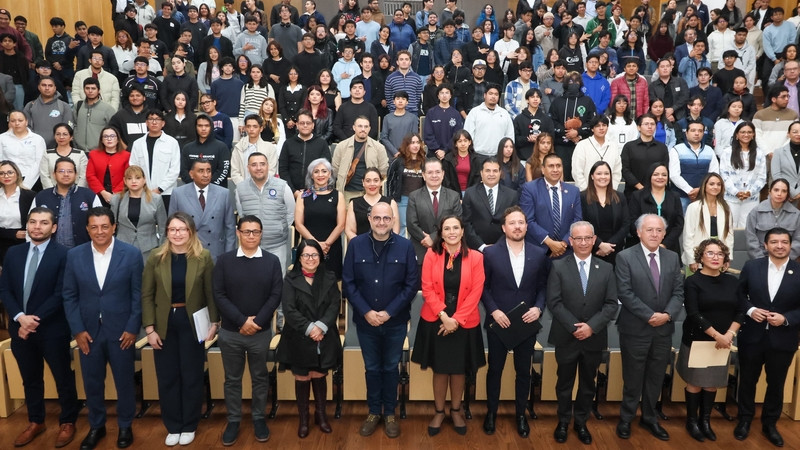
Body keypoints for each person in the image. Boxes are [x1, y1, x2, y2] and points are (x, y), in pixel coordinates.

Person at [62, 207, 143, 450]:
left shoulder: (131, 254)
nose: (100, 231)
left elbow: (138, 295)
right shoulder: (74, 256)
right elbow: (69, 295)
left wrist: (132, 328)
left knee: (124, 382)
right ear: (87, 229)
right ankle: (96, 426)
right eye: (94, 227)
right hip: (88, 333)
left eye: (105, 226)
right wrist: (77, 330)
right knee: (92, 382)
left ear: (114, 227)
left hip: (122, 333)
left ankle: (125, 425)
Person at [0, 206, 79, 448]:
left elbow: (61, 293)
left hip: (52, 329)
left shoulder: (65, 255)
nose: (37, 227)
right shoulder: (13, 254)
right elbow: (5, 290)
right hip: (19, 327)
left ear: (53, 228)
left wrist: (32, 320)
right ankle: (36, 421)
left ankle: (68, 421)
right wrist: (20, 317)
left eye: (43, 223)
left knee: (63, 377)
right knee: (30, 378)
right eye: (33, 222)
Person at [141, 211, 218, 447]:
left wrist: (214, 323)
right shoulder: (156, 257)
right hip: (163, 323)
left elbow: (210, 294)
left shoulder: (203, 257)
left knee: (192, 375)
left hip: (192, 322)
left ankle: (189, 424)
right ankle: (173, 425)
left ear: (191, 232)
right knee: (167, 376)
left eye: (182, 229)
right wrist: (150, 329)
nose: (177, 234)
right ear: (166, 232)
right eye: (173, 229)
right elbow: (147, 295)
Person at [411, 215, 486, 437]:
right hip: (437, 318)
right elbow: (427, 289)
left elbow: (476, 291)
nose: (452, 231)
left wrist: (457, 320)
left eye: (456, 228)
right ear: (440, 233)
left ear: (463, 232)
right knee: (441, 368)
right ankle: (439, 411)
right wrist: (445, 317)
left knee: (459, 368)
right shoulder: (431, 256)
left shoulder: (476, 257)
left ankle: (455, 410)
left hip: (465, 319)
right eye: (447, 228)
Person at [213, 215, 283, 445]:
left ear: (261, 234)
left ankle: (258, 418)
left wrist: (258, 322)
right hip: (231, 332)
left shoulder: (272, 261)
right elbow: (219, 295)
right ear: (238, 233)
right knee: (232, 380)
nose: (251, 236)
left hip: (260, 333)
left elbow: (275, 296)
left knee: (260, 377)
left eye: (255, 232)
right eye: (247, 231)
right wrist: (242, 321)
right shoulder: (224, 261)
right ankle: (233, 420)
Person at [547, 220, 618, 445]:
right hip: (566, 336)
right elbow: (554, 302)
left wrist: (591, 327)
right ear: (570, 241)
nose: (584, 242)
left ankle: (581, 422)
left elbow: (610, 304)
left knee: (589, 383)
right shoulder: (558, 267)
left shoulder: (606, 268)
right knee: (564, 383)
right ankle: (563, 421)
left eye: (588, 238)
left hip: (594, 337)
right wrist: (575, 327)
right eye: (578, 238)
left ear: (594, 239)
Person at [614, 213, 684, 442]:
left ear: (664, 233)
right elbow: (624, 292)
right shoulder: (625, 257)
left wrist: (666, 315)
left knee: (655, 377)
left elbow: (678, 292)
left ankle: (649, 417)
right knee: (633, 377)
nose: (655, 234)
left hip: (663, 329)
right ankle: (626, 418)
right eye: (650, 230)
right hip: (635, 328)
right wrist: (649, 315)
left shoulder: (673, 257)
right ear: (639, 232)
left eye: (659, 230)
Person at [480, 205, 547, 437]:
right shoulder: (489, 253)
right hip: (499, 322)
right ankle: (491, 413)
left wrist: (539, 309)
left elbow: (542, 287)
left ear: (527, 226)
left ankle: (521, 415)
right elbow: (484, 287)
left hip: (526, 322)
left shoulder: (539, 253)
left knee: (524, 372)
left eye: (521, 222)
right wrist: (494, 311)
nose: (517, 226)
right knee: (495, 370)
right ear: (504, 227)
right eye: (512, 223)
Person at [735, 227, 800, 447]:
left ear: (790, 245)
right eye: (774, 242)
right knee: (747, 381)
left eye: (784, 242)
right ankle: (744, 420)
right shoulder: (752, 267)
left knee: (776, 384)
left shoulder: (798, 271)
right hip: (752, 337)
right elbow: (739, 295)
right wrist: (751, 310)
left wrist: (787, 318)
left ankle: (770, 424)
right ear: (766, 245)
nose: (779, 246)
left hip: (783, 339)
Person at [276, 238, 341, 438]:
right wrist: (309, 328)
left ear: (320, 257)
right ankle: (303, 419)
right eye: (306, 255)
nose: (310, 259)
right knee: (303, 376)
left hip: (324, 334)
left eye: (314, 255)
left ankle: (321, 416)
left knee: (320, 375)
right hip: (298, 336)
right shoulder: (290, 278)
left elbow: (334, 305)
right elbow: (289, 309)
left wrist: (320, 326)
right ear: (299, 258)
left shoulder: (329, 277)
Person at [677, 238, 740, 442]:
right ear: (701, 256)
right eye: (710, 253)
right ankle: (692, 421)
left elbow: (740, 311)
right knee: (695, 383)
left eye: (720, 254)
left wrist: (729, 335)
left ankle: (706, 421)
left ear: (725, 258)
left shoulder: (732, 281)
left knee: (711, 384)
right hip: (699, 340)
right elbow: (694, 314)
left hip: (723, 342)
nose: (715, 257)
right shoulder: (692, 281)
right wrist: (717, 336)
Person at [234, 151, 295, 272]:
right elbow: (242, 215)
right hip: (251, 247)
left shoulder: (282, 186)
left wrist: (279, 229)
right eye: (254, 165)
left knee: (277, 284)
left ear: (268, 166)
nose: (258, 168)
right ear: (248, 167)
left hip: (277, 246)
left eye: (262, 164)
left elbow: (291, 212)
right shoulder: (240, 189)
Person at [168, 159, 235, 260]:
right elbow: (171, 226)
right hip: (188, 252)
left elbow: (230, 228)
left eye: (208, 171)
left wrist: (229, 256)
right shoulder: (178, 194)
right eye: (201, 171)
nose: (206, 174)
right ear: (191, 174)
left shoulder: (223, 194)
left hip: (216, 253)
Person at [519, 153, 583, 258]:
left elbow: (577, 219)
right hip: (539, 250)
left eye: (558, 166)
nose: (555, 169)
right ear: (543, 169)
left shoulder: (573, 191)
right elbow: (527, 220)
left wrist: (564, 243)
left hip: (566, 251)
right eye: (551, 166)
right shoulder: (530, 189)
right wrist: (550, 243)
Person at [33, 157, 103, 249]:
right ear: (54, 174)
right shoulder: (41, 196)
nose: (66, 174)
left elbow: (100, 222)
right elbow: (30, 224)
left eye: (70, 171)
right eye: (61, 171)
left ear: (76, 174)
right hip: (49, 251)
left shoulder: (89, 195)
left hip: (82, 250)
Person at [294, 158, 346, 278]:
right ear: (311, 175)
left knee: (331, 285)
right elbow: (298, 224)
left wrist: (326, 244)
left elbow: (341, 225)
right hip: (308, 248)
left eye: (324, 171)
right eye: (316, 171)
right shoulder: (303, 196)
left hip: (332, 247)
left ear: (330, 174)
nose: (320, 175)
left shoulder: (338, 195)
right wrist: (316, 245)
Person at [407, 158, 463, 267]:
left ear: (443, 174)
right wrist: (425, 240)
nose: (434, 176)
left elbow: (457, 221)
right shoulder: (414, 196)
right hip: (421, 248)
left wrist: (433, 238)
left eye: (437, 172)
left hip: (447, 248)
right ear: (423, 175)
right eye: (430, 172)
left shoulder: (454, 196)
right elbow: (411, 224)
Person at [110, 165, 167, 260]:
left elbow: (163, 227)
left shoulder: (156, 199)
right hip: (122, 248)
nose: (133, 181)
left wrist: (162, 250)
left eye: (137, 178)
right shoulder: (117, 199)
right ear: (125, 181)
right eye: (129, 178)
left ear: (144, 180)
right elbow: (112, 225)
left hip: (149, 249)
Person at [462, 157, 519, 251]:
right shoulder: (470, 193)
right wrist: (481, 246)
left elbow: (513, 223)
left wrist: (500, 246)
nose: (491, 174)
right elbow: (466, 223)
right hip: (476, 249)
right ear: (481, 173)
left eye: (495, 171)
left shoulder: (511, 195)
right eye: (488, 171)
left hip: (504, 248)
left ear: (500, 173)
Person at [681, 173, 734, 272]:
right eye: (712, 184)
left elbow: (729, 235)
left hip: (718, 256)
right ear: (704, 186)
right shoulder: (694, 207)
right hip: (697, 256)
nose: (715, 187)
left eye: (719, 184)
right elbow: (688, 235)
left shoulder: (725, 207)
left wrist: (727, 257)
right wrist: (692, 259)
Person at [129, 110, 181, 210]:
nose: (154, 122)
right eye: (151, 119)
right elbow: (133, 167)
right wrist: (143, 188)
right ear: (146, 123)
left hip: (166, 192)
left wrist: (159, 189)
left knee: (166, 223)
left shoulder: (172, 142)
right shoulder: (138, 143)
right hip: (143, 192)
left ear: (163, 123)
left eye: (157, 119)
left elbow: (174, 170)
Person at [580, 161, 629, 265]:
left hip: (615, 250)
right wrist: (599, 244)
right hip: (591, 250)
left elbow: (626, 224)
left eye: (606, 173)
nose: (603, 177)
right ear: (592, 176)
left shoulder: (620, 197)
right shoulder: (582, 197)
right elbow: (581, 224)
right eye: (599, 173)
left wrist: (609, 246)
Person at [718, 122, 766, 228]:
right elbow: (724, 175)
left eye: (749, 132)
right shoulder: (727, 152)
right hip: (731, 197)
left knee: (748, 227)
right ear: (736, 135)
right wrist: (736, 192)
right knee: (729, 226)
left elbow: (762, 177)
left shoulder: (759, 153)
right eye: (743, 132)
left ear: (753, 135)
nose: (746, 135)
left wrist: (750, 192)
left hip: (751, 198)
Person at [331, 115, 388, 203]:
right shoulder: (342, 146)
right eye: (360, 126)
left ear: (369, 128)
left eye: (366, 126)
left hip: (370, 193)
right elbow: (335, 170)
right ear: (354, 128)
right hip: (347, 193)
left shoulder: (379, 148)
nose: (363, 129)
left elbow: (383, 171)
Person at [669, 120, 719, 211]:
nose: (697, 133)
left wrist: (700, 190)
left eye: (700, 131)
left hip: (704, 195)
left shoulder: (709, 151)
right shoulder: (676, 149)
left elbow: (714, 174)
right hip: (681, 196)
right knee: (682, 223)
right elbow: (674, 175)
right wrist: (690, 191)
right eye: (693, 130)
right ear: (686, 133)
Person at [278, 109, 331, 195]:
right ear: (297, 125)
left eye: (308, 123)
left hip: (316, 193)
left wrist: (313, 190)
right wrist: (293, 191)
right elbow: (283, 169)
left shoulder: (321, 143)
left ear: (313, 125)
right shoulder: (288, 143)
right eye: (302, 123)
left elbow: (326, 169)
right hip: (291, 193)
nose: (305, 125)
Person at [345, 167, 399, 240]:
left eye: (376, 180)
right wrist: (360, 245)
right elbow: (349, 230)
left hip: (386, 247)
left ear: (380, 182)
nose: (372, 184)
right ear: (363, 182)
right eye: (368, 181)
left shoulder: (391, 202)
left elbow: (395, 230)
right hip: (361, 247)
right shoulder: (354, 203)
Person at [180, 114, 232, 189]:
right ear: (195, 127)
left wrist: (208, 187)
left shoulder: (222, 147)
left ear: (211, 127)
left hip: (216, 190)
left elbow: (224, 170)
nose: (203, 129)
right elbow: (184, 171)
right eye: (200, 126)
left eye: (207, 126)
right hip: (193, 191)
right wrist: (195, 187)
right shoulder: (187, 148)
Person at [463, 84, 514, 158]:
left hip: (499, 156)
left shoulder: (504, 113)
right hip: (478, 156)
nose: (493, 96)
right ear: (485, 95)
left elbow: (510, 135)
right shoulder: (475, 112)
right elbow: (467, 134)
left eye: (496, 94)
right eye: (490, 94)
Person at [571, 116, 622, 192]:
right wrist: (586, 191)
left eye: (604, 125)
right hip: (587, 193)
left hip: (609, 194)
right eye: (597, 126)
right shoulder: (582, 145)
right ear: (592, 129)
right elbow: (577, 171)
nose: (601, 128)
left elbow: (617, 172)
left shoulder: (613, 146)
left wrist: (611, 190)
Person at [0, 111, 46, 191]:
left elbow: (39, 163)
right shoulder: (2, 138)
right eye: (13, 121)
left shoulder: (37, 139)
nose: (17, 123)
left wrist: (26, 185)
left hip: (32, 179)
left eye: (20, 120)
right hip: (7, 179)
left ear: (26, 122)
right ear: (9, 122)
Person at [230, 114, 278, 185]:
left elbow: (271, 170)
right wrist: (244, 186)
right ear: (245, 128)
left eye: (255, 126)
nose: (251, 129)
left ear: (261, 128)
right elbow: (235, 172)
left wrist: (260, 185)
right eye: (248, 126)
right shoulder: (238, 147)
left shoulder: (270, 148)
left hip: (264, 188)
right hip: (243, 189)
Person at [753, 85, 798, 157]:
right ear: (773, 99)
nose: (786, 99)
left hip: (786, 154)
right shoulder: (759, 115)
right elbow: (757, 136)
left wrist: (780, 152)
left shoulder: (793, 115)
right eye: (783, 96)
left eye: (788, 96)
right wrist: (767, 152)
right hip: (763, 155)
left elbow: (794, 135)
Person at [39, 124, 88, 190]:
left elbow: (83, 176)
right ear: (54, 136)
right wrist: (52, 192)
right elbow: (44, 176)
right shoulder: (47, 154)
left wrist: (77, 191)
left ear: (71, 137)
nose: (61, 137)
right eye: (58, 134)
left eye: (65, 134)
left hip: (76, 191)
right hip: (52, 192)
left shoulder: (80, 154)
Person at [771, 121, 800, 207]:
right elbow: (776, 174)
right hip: (783, 194)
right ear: (788, 134)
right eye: (795, 132)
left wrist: (798, 193)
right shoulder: (778, 152)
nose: (798, 134)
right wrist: (790, 192)